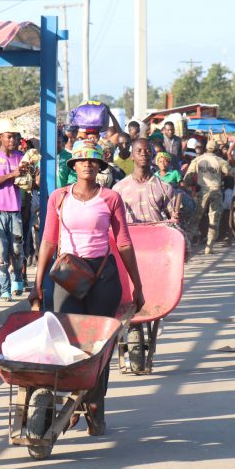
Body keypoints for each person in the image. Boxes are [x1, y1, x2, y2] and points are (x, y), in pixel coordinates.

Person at [29, 140, 144, 436]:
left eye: (93, 161)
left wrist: (137, 284)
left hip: (103, 278)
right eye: (82, 161)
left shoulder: (110, 198)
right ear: (74, 166)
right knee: (65, 344)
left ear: (100, 166)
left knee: (99, 347)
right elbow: (49, 242)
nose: (87, 165)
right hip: (67, 277)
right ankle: (68, 401)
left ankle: (95, 405)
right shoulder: (59, 198)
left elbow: (123, 242)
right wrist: (37, 283)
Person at [0, 118, 27, 301]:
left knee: (17, 250)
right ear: (0, 137)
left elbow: (27, 182)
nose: (13, 140)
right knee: (0, 253)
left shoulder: (20, 157)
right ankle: (4, 288)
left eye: (15, 137)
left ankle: (17, 278)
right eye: (10, 136)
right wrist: (11, 175)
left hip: (15, 210)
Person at [183, 140, 231, 254]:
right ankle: (209, 246)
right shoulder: (220, 161)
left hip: (202, 191)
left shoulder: (197, 160)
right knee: (214, 219)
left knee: (196, 218)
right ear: (217, 150)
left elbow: (187, 178)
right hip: (216, 191)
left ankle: (187, 243)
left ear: (205, 148)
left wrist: (191, 186)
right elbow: (230, 172)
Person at [113, 138, 177, 223]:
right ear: (131, 156)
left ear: (153, 156)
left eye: (148, 151)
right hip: (130, 235)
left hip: (157, 235)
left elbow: (172, 221)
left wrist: (175, 217)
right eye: (139, 151)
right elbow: (113, 221)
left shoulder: (165, 187)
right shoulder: (119, 188)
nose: (143, 154)